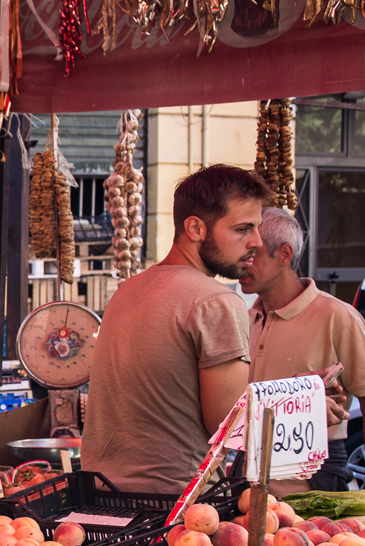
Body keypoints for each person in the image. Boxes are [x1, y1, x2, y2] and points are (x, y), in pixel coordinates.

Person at [84, 165, 268, 492]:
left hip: (101, 496)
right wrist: (304, 407)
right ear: (195, 228)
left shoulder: (129, 289)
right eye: (242, 229)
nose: (256, 241)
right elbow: (230, 428)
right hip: (178, 510)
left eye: (257, 228)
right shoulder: (215, 302)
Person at [238, 208, 365, 492]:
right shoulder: (246, 319)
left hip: (313, 484)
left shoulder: (337, 317)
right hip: (250, 481)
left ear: (284, 255)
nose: (242, 262)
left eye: (252, 253)